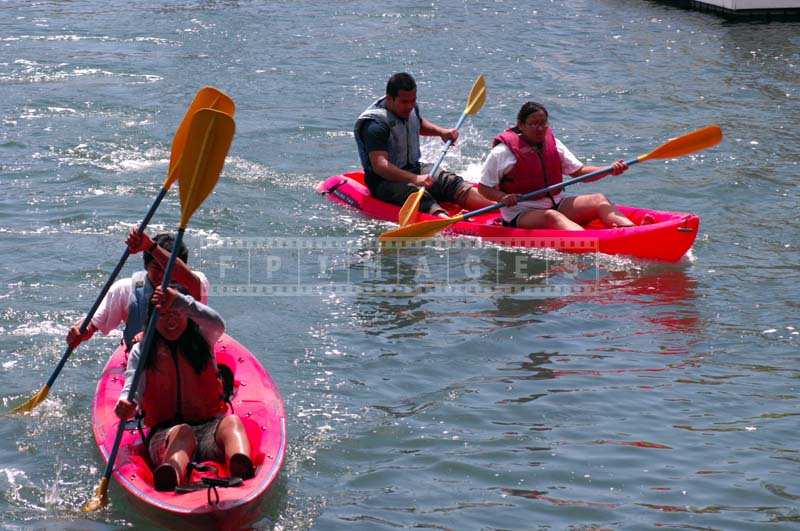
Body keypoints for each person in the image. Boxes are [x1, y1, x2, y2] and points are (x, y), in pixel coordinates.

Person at [114, 284, 254, 491]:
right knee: (183, 432)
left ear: (187, 314)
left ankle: (242, 469)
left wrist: (181, 300)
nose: (170, 320)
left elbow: (217, 323)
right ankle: (172, 476)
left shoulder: (204, 338)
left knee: (231, 422)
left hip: (208, 429)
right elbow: (132, 386)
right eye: (163, 315)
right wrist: (126, 404)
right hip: (166, 436)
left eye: (176, 313)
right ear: (152, 321)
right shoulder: (142, 351)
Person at [478, 101, 635, 231]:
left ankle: (630, 231)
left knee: (598, 199)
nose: (539, 129)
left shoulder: (553, 144)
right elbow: (483, 188)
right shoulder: (502, 153)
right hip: (521, 213)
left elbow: (579, 172)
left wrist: (609, 170)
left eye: (543, 123)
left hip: (557, 204)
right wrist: (503, 197)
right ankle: (594, 242)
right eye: (533, 124)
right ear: (520, 125)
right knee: (552, 216)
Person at [355, 72, 493, 218]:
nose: (410, 106)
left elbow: (418, 124)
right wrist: (414, 179)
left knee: (448, 181)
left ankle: (496, 207)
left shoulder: (409, 107)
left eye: (413, 100)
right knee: (416, 194)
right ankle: (442, 218)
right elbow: (380, 166)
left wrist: (441, 132)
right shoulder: (374, 125)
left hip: (415, 168)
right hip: (384, 181)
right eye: (404, 102)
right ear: (390, 98)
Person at [66, 228, 210, 352]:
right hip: (144, 361)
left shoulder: (196, 283)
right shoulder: (124, 289)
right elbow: (94, 324)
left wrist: (150, 246)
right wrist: (80, 332)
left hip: (186, 357)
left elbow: (188, 278)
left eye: (168, 270)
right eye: (157, 268)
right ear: (146, 266)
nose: (163, 276)